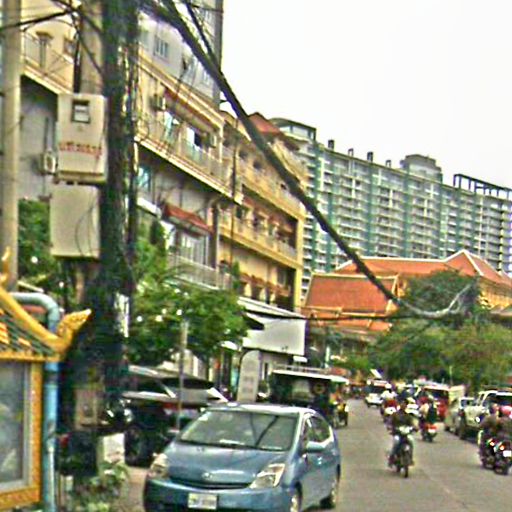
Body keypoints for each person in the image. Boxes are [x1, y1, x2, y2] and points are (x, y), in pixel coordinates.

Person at [388, 400, 416, 467]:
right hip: (397, 433)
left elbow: (412, 424)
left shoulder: (408, 416)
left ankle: (410, 458)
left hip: (406, 434)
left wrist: (415, 427)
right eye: (402, 404)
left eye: (404, 404)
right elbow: (390, 422)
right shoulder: (395, 414)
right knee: (396, 442)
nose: (403, 405)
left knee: (411, 441)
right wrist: (390, 427)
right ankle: (391, 458)